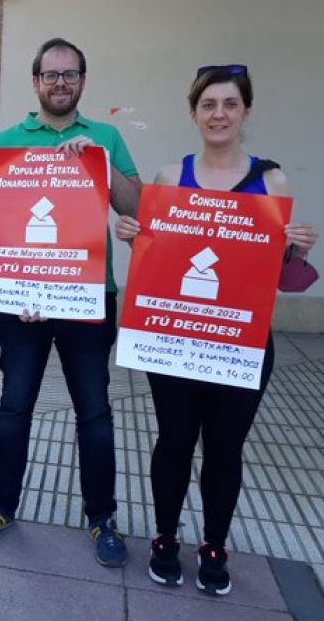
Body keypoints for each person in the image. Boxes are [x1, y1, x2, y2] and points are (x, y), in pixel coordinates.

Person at [114, 65, 318, 595]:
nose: (219, 114)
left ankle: (213, 544)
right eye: (209, 105)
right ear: (194, 114)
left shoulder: (270, 181)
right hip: (175, 339)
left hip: (239, 343)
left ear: (245, 111)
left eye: (229, 104)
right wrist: (129, 231)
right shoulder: (166, 177)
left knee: (225, 448)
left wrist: (298, 247)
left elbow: (282, 278)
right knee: (174, 441)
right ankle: (164, 537)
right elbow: (153, 255)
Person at [0, 38, 141, 567]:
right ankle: (0, 505)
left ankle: (101, 516)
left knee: (94, 412)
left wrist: (98, 161)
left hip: (89, 302)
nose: (60, 83)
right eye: (51, 74)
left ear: (82, 82)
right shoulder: (6, 141)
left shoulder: (105, 136)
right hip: (22, 306)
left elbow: (136, 205)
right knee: (14, 406)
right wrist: (9, 287)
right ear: (36, 82)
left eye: (70, 74)